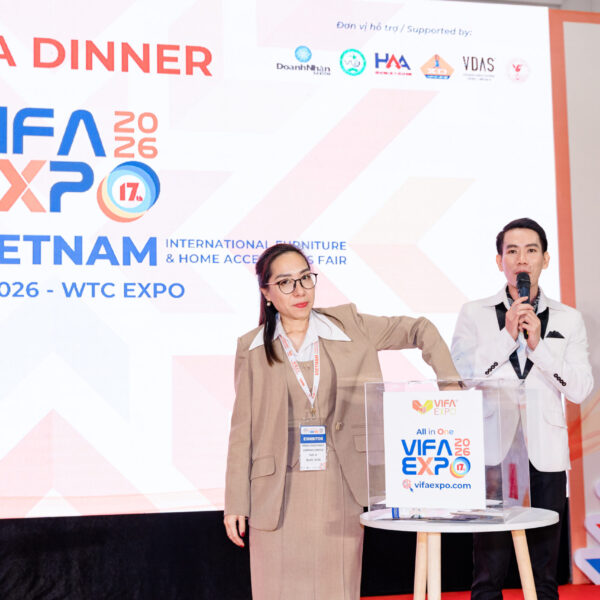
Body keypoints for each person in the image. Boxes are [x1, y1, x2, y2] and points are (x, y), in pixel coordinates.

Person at [224, 243, 460, 600]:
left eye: (305, 278)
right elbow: (242, 430)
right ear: (267, 293)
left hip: (339, 480)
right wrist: (235, 502)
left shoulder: (350, 325)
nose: (299, 290)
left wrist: (451, 383)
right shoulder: (253, 347)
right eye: (286, 282)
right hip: (276, 487)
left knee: (337, 586)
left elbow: (420, 329)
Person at [451, 218, 593, 600]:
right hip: (494, 450)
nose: (521, 259)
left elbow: (580, 389)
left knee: (545, 567)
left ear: (545, 259)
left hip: (546, 449)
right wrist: (507, 337)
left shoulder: (568, 319)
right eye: (511, 251)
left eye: (531, 250)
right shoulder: (474, 313)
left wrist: (538, 347)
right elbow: (462, 378)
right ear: (500, 261)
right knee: (489, 565)